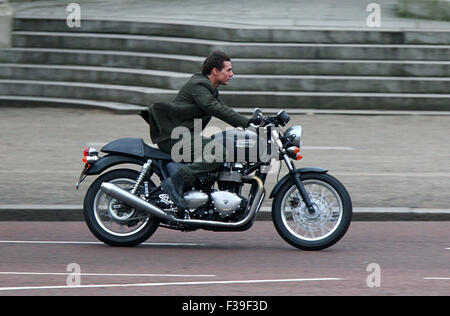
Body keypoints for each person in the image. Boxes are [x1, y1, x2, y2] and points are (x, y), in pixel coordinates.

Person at [140, 50, 262, 209]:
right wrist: (247, 123)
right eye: (228, 70)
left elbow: (221, 107)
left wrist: (255, 122)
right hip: (174, 137)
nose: (232, 74)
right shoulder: (199, 85)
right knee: (219, 153)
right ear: (215, 71)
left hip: (182, 135)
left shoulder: (208, 88)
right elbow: (213, 107)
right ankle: (175, 182)